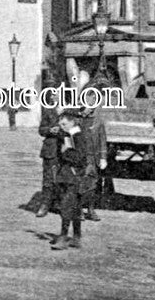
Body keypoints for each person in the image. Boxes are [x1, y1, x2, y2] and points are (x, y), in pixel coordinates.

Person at [50, 107, 96, 250]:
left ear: (73, 122)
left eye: (64, 124)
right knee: (75, 207)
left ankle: (63, 237)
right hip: (67, 176)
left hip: (73, 176)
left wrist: (64, 152)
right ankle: (77, 237)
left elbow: (79, 158)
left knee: (66, 206)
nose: (61, 126)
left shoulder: (77, 136)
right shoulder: (69, 135)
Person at [35, 102, 64, 218]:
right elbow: (41, 130)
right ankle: (45, 205)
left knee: (64, 179)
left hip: (65, 150)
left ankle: (61, 205)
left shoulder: (71, 110)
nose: (55, 96)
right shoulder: (48, 111)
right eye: (53, 94)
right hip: (50, 150)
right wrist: (50, 130)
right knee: (48, 179)